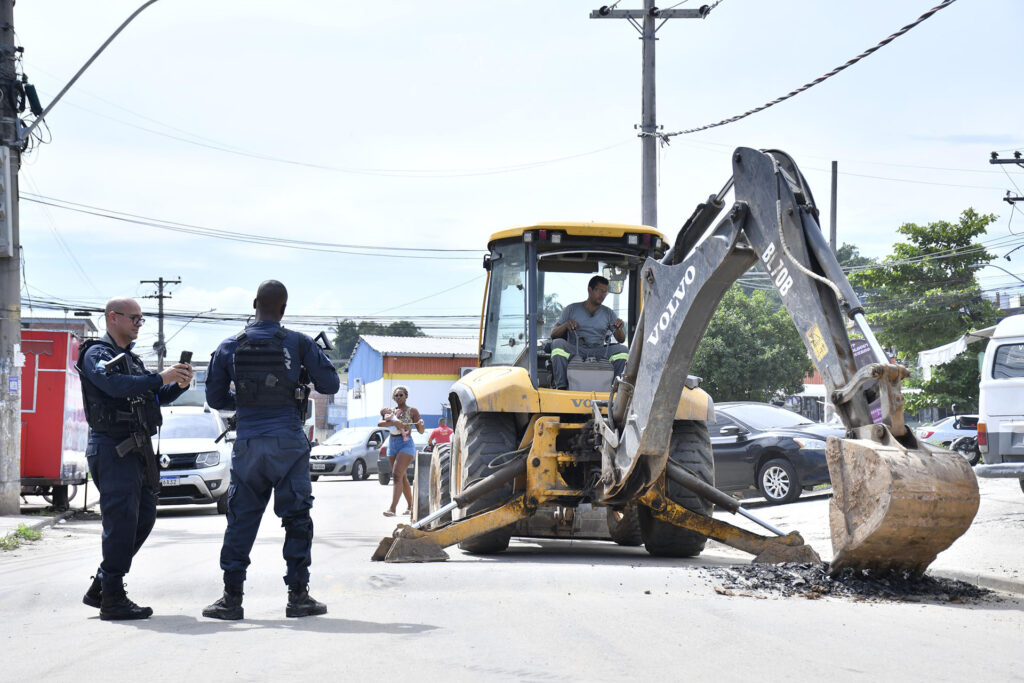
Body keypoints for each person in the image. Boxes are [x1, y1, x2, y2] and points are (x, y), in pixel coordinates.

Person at [202, 280, 340, 620]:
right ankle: (298, 597)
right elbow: (331, 384)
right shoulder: (299, 342)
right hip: (288, 446)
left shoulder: (229, 345)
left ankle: (231, 600)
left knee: (240, 521)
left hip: (249, 445)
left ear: (254, 304)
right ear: (283, 308)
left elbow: (216, 399)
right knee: (296, 519)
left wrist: (247, 402)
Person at [79, 297, 193, 620]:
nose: (139, 324)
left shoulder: (132, 361)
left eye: (142, 320)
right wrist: (161, 377)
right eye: (135, 319)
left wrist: (178, 383)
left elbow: (152, 393)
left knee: (143, 517)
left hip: (136, 449)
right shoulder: (97, 355)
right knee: (121, 522)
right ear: (112, 318)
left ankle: (103, 583)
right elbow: (114, 386)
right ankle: (112, 598)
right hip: (113, 449)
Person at [549, 275, 628, 390]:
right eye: (600, 291)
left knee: (623, 351)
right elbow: (553, 334)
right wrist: (566, 325)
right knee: (557, 345)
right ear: (589, 289)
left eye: (605, 293)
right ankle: (561, 387)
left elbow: (621, 339)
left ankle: (616, 390)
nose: (602, 296)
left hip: (599, 351)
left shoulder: (608, 313)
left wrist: (619, 328)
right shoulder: (571, 309)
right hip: (576, 350)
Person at [379, 385, 424, 517]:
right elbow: (380, 423)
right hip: (392, 444)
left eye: (401, 395)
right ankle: (411, 506)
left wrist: (421, 424)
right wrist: (394, 423)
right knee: (402, 477)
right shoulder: (390, 411)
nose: (398, 397)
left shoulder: (412, 411)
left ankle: (392, 509)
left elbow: (421, 431)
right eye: (396, 395)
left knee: (397, 474)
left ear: (406, 396)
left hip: (406, 444)